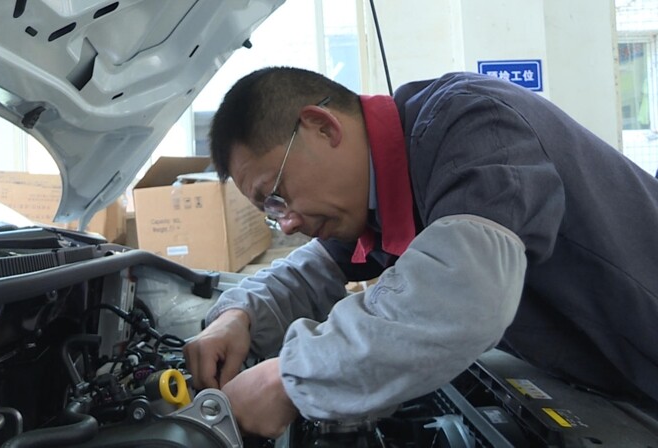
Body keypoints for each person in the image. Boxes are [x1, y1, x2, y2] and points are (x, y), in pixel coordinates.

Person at [182, 66, 658, 438]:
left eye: (277, 195)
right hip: (609, 379)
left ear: (322, 127)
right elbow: (314, 268)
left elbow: (460, 297)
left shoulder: (473, 128)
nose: (286, 223)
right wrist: (239, 316)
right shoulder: (376, 194)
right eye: (270, 212)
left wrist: (289, 380)